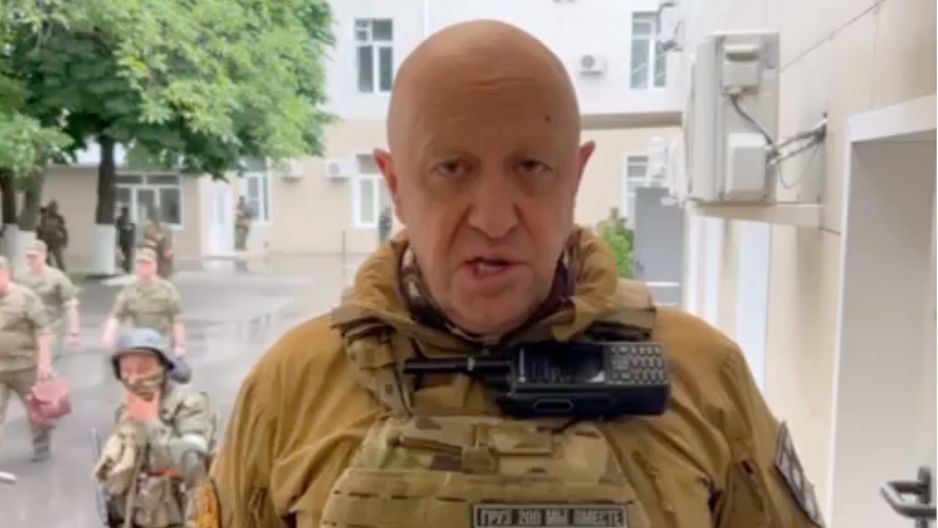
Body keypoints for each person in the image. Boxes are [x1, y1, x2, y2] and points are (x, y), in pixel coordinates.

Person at [204, 21, 824, 528]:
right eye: (452, 169)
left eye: (531, 167)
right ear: (395, 185)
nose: (495, 218)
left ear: (575, 177)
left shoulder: (702, 378)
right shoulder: (293, 386)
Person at [93, 328, 214, 527]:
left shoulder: (190, 404)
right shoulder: (126, 409)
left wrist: (150, 420)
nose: (133, 379)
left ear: (164, 367)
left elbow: (193, 465)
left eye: (143, 369)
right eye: (126, 370)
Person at [0, 256, 53, 462]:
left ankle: (41, 443)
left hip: (25, 367)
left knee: (36, 410)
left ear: (6, 273)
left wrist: (44, 363)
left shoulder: (25, 297)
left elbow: (43, 329)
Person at [101, 248, 186, 362]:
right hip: (136, 341)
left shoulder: (167, 290)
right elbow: (116, 316)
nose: (143, 267)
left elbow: (177, 319)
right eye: (140, 264)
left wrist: (179, 345)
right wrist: (108, 334)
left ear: (155, 266)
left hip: (161, 340)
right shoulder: (129, 290)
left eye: (147, 264)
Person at [17, 240, 81, 362]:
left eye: (34, 256)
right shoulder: (19, 276)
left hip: (51, 328)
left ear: (44, 256)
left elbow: (71, 305)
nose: (30, 260)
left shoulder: (57, 278)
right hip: (26, 328)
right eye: (28, 256)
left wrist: (74, 332)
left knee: (45, 361)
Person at [142, 208, 174, 280]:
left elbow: (168, 240)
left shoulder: (166, 228)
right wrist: (155, 238)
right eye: (155, 216)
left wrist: (164, 242)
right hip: (152, 250)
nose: (157, 218)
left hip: (162, 250)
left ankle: (164, 275)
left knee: (165, 264)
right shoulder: (148, 227)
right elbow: (146, 238)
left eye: (158, 215)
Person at [37, 200, 68, 271]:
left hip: (56, 241)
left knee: (59, 259)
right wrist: (39, 238)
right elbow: (41, 228)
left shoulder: (59, 218)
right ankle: (49, 272)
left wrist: (65, 240)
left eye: (55, 208)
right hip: (46, 240)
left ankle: (62, 273)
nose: (53, 210)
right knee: (47, 260)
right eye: (51, 207)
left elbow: (63, 230)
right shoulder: (44, 217)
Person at [115, 206, 137, 274]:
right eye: (124, 211)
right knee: (125, 253)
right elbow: (118, 227)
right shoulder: (119, 219)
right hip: (124, 239)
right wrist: (124, 227)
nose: (125, 213)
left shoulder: (130, 219)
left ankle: (127, 267)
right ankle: (126, 266)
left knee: (128, 254)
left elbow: (134, 227)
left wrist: (131, 226)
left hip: (128, 240)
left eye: (126, 211)